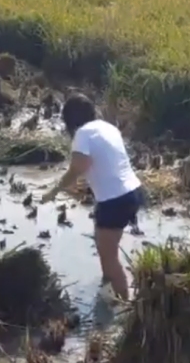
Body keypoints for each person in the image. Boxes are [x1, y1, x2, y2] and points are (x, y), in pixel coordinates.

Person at [41, 93, 145, 305]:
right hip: (133, 192)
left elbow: (79, 167)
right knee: (104, 244)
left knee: (109, 256)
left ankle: (125, 308)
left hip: (114, 200)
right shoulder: (107, 127)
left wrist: (55, 190)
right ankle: (109, 293)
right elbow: (102, 164)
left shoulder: (82, 133)